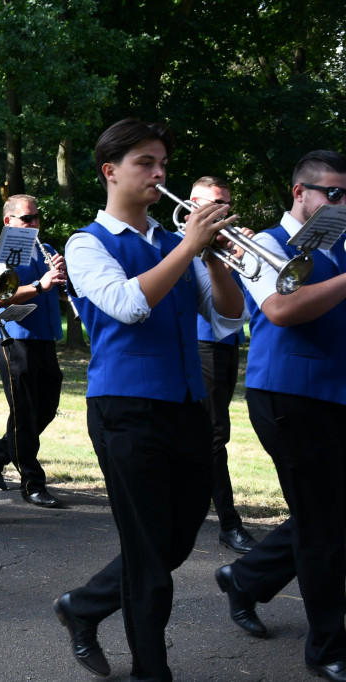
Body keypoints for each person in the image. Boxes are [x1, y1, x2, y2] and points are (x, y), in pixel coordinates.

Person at [54, 119, 246, 681]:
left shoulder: (174, 243)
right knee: (148, 556)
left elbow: (229, 317)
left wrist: (212, 255)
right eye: (146, 162)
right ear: (111, 170)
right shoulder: (86, 242)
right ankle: (150, 670)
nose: (160, 173)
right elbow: (128, 306)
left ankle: (84, 606)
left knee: (174, 542)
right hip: (125, 409)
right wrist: (191, 245)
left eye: (163, 163)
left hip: (187, 406)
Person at [214, 150, 346, 682]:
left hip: (333, 394)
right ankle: (325, 648)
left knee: (329, 514)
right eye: (332, 193)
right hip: (289, 394)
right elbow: (281, 310)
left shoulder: (339, 247)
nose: (341, 203)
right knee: (323, 525)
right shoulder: (265, 243)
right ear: (300, 193)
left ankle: (245, 579)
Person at [0, 195, 67, 507]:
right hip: (12, 338)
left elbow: (56, 289)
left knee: (47, 405)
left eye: (36, 217)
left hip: (44, 338)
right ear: (9, 222)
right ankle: (32, 482)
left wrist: (63, 277)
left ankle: (0, 451)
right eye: (26, 219)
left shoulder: (48, 251)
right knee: (25, 411)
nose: (34, 223)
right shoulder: (1, 253)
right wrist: (42, 285)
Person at [187, 176, 257, 553]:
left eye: (225, 204)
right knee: (214, 434)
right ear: (193, 203)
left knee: (211, 433)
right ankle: (228, 523)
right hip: (202, 341)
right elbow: (205, 292)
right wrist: (228, 259)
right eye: (214, 202)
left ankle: (191, 507)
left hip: (227, 342)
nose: (222, 211)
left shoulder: (227, 242)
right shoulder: (189, 242)